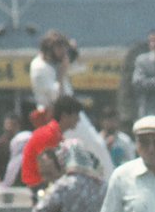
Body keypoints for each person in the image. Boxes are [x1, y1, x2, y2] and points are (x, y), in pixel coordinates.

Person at [30, 31, 113, 179]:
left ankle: (106, 180)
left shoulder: (53, 63)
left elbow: (79, 67)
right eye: (59, 49)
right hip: (59, 115)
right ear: (49, 49)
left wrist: (73, 54)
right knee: (83, 149)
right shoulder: (40, 69)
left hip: (70, 112)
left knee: (96, 146)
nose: (63, 53)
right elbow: (57, 98)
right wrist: (61, 74)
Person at [22, 95, 83, 191]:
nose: (78, 120)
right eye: (76, 116)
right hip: (37, 188)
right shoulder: (48, 135)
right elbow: (49, 169)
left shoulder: (56, 135)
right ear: (64, 116)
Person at [0, 113, 22, 184]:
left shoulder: (24, 144)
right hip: (1, 183)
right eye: (7, 124)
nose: (9, 127)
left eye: (13, 125)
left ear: (18, 126)